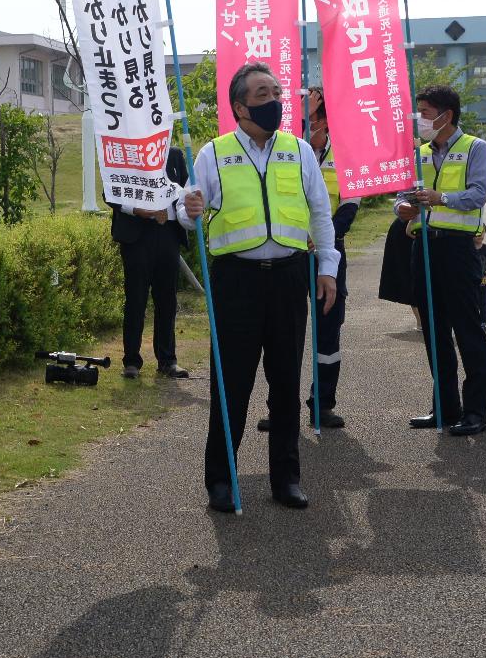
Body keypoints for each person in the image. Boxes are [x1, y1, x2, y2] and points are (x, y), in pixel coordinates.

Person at [180, 63, 339, 511]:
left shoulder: (299, 150)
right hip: (236, 281)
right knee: (231, 384)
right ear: (239, 106)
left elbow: (320, 214)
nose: (274, 102)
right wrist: (187, 205)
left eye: (276, 93)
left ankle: (286, 477)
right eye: (262, 95)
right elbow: (189, 208)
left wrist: (327, 268)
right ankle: (222, 479)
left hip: (290, 276)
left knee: (286, 382)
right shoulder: (214, 152)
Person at [396, 85, 486, 436]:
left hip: (458, 249)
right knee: (434, 332)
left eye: (423, 111)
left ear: (446, 115)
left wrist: (441, 198)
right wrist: (402, 208)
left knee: (468, 330)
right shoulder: (418, 153)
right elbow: (401, 197)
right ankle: (445, 408)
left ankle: (476, 413)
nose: (419, 118)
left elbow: (478, 194)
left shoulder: (475, 148)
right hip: (423, 248)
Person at [111, 146, 191, 381]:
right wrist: (137, 209)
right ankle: (132, 360)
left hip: (168, 233)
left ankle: (167, 360)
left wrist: (188, 210)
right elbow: (110, 193)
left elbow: (187, 192)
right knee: (136, 298)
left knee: (167, 299)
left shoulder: (174, 154)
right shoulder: (124, 152)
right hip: (136, 235)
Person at [303, 89, 357, 427]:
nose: (306, 124)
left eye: (310, 117)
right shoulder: (284, 152)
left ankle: (322, 402)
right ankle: (276, 408)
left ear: (324, 119)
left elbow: (351, 206)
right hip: (290, 252)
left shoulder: (346, 156)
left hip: (330, 253)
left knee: (328, 327)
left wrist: (323, 239)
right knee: (283, 330)